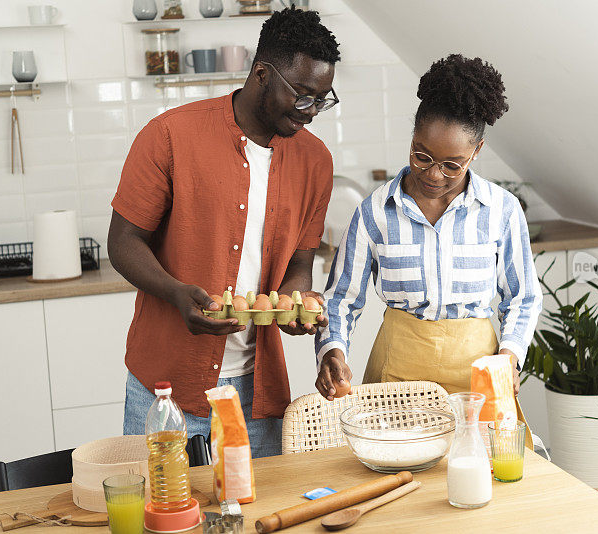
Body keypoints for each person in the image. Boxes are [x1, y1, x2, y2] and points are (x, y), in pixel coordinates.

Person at [109, 8, 339, 457]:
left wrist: (294, 304)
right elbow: (123, 242)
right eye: (303, 96)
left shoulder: (316, 162)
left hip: (258, 397)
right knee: (162, 517)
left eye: (322, 100)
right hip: (166, 391)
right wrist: (176, 293)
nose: (311, 113)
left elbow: (300, 264)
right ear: (261, 75)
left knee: (257, 521)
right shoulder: (170, 135)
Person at [314, 54, 542, 400]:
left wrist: (510, 356)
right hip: (397, 371)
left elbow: (523, 297)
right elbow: (340, 301)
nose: (434, 175)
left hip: (478, 374)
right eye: (421, 156)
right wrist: (333, 352)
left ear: (476, 151)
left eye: (452, 165)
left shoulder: (501, 210)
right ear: (412, 138)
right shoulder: (374, 212)